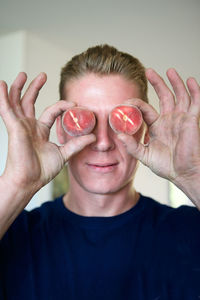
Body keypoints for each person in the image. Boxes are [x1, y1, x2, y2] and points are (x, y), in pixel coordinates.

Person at [0, 44, 200, 299]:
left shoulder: (190, 231)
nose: (103, 142)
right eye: (83, 121)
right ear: (61, 131)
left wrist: (193, 176)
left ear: (145, 131)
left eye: (122, 121)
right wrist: (16, 183)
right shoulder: (13, 235)